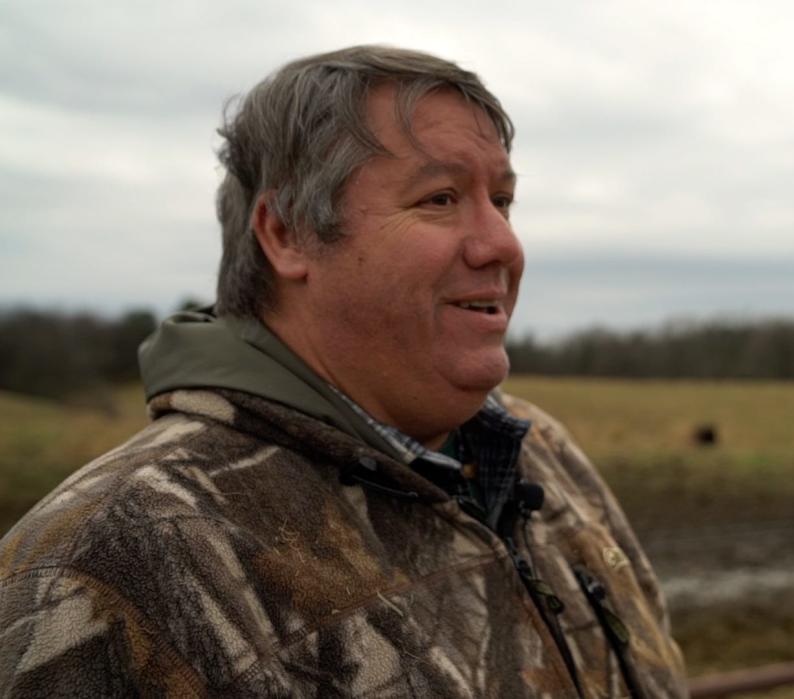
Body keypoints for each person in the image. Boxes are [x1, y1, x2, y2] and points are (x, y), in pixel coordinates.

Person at [0, 45, 686, 697]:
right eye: (440, 199)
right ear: (287, 233)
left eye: (501, 201)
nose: (503, 242)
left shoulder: (544, 455)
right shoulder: (108, 558)